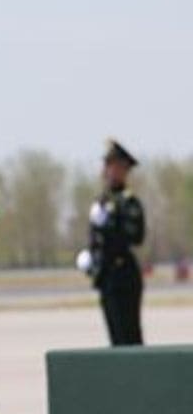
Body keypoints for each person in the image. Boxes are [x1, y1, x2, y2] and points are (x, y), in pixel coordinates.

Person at [77, 139, 146, 345]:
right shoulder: (103, 201)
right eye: (106, 165)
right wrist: (92, 259)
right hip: (106, 276)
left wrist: (109, 225)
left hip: (123, 275)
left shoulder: (128, 201)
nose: (107, 171)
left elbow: (136, 237)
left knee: (129, 337)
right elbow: (98, 240)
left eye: (112, 165)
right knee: (115, 340)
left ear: (123, 169)